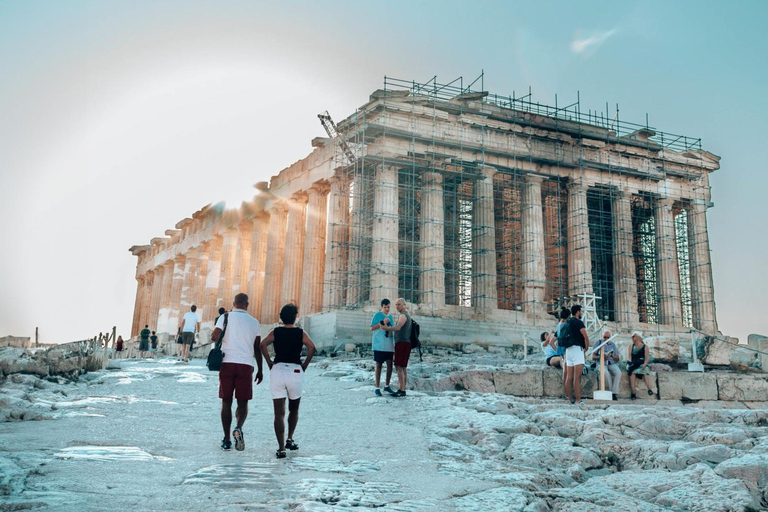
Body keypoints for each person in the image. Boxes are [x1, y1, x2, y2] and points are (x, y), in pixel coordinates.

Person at [261, 303, 316, 459]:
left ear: (281, 317)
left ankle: (280, 449)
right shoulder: (300, 333)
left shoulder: (275, 332)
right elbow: (312, 347)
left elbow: (262, 344)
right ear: (295, 317)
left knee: (278, 413)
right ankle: (290, 439)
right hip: (295, 370)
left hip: (277, 370)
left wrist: (269, 363)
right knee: (294, 408)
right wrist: (304, 365)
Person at [211, 293, 263, 452]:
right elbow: (257, 348)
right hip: (246, 364)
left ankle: (226, 439)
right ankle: (238, 427)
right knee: (243, 402)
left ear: (233, 303)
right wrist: (260, 369)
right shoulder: (254, 322)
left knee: (226, 401)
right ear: (247, 305)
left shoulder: (225, 317)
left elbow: (214, 337)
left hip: (227, 363)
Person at [381, 298, 412, 398]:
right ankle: (402, 389)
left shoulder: (403, 316)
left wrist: (387, 328)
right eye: (396, 304)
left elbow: (398, 327)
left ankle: (402, 390)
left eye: (399, 304)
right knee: (403, 367)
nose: (397, 306)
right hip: (405, 343)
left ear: (404, 305)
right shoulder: (406, 315)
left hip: (402, 343)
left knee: (399, 366)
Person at [563, 304, 589, 405]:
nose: (581, 313)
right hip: (577, 350)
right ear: (577, 312)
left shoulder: (568, 322)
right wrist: (586, 347)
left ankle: (570, 400)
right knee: (577, 377)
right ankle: (578, 400)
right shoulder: (578, 322)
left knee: (569, 377)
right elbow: (585, 336)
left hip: (568, 350)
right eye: (581, 311)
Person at [370, 299, 395, 396]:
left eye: (388, 307)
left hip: (389, 345)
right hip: (379, 344)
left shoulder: (391, 317)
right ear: (382, 307)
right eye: (385, 307)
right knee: (378, 366)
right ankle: (377, 387)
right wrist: (382, 323)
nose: (387, 309)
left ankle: (387, 385)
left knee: (389, 365)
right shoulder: (377, 315)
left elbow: (392, 328)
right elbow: (372, 328)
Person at [591, 330, 621, 400]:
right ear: (602, 336)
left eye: (608, 337)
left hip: (611, 362)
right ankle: (611, 392)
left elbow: (617, 358)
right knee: (605, 373)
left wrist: (612, 356)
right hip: (601, 362)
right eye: (605, 337)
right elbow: (593, 357)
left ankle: (614, 392)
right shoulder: (598, 343)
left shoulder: (613, 345)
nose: (606, 339)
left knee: (618, 372)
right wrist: (602, 357)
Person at [628, 331, 657, 399]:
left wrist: (644, 364)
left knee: (645, 371)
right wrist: (630, 363)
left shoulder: (645, 347)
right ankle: (633, 392)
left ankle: (649, 389)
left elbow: (646, 358)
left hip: (641, 363)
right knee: (632, 373)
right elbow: (629, 357)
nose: (632, 338)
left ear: (638, 337)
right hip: (633, 363)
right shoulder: (630, 346)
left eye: (633, 337)